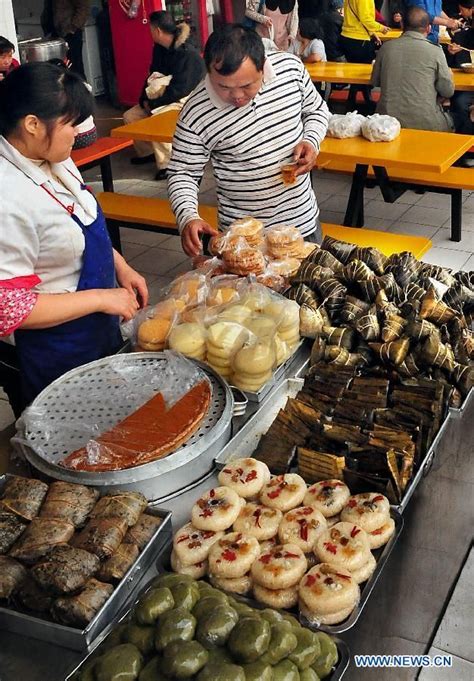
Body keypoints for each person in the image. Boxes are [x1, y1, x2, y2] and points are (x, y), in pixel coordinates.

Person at [0, 63, 147, 416]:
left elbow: (77, 225)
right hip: (56, 351)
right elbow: (8, 309)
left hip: (97, 332)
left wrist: (121, 266)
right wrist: (99, 298)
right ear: (32, 124)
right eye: (71, 123)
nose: (80, 132)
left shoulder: (52, 157)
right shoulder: (7, 197)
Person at [167, 24, 330, 257]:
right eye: (223, 86)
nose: (237, 97)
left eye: (246, 86)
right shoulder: (196, 111)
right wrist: (188, 217)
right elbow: (182, 172)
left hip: (301, 225)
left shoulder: (290, 71)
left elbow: (316, 110)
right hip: (242, 241)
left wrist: (311, 141)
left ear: (263, 67)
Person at [123, 11, 205, 181]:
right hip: (163, 95)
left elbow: (181, 89)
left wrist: (153, 105)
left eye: (150, 29)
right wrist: (143, 99)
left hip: (186, 98)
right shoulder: (159, 49)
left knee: (156, 117)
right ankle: (148, 152)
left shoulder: (187, 52)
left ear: (158, 31)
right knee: (130, 116)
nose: (149, 33)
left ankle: (167, 163)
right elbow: (152, 75)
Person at [371, 6, 456, 131]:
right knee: (458, 117)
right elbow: (447, 91)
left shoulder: (386, 48)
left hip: (386, 123)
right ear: (429, 28)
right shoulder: (435, 51)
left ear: (402, 24)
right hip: (427, 123)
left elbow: (374, 82)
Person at [41, 0, 90, 77]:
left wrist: (72, 28)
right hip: (54, 34)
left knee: (75, 67)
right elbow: (48, 9)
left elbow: (83, 8)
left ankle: (80, 87)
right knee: (58, 68)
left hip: (70, 33)